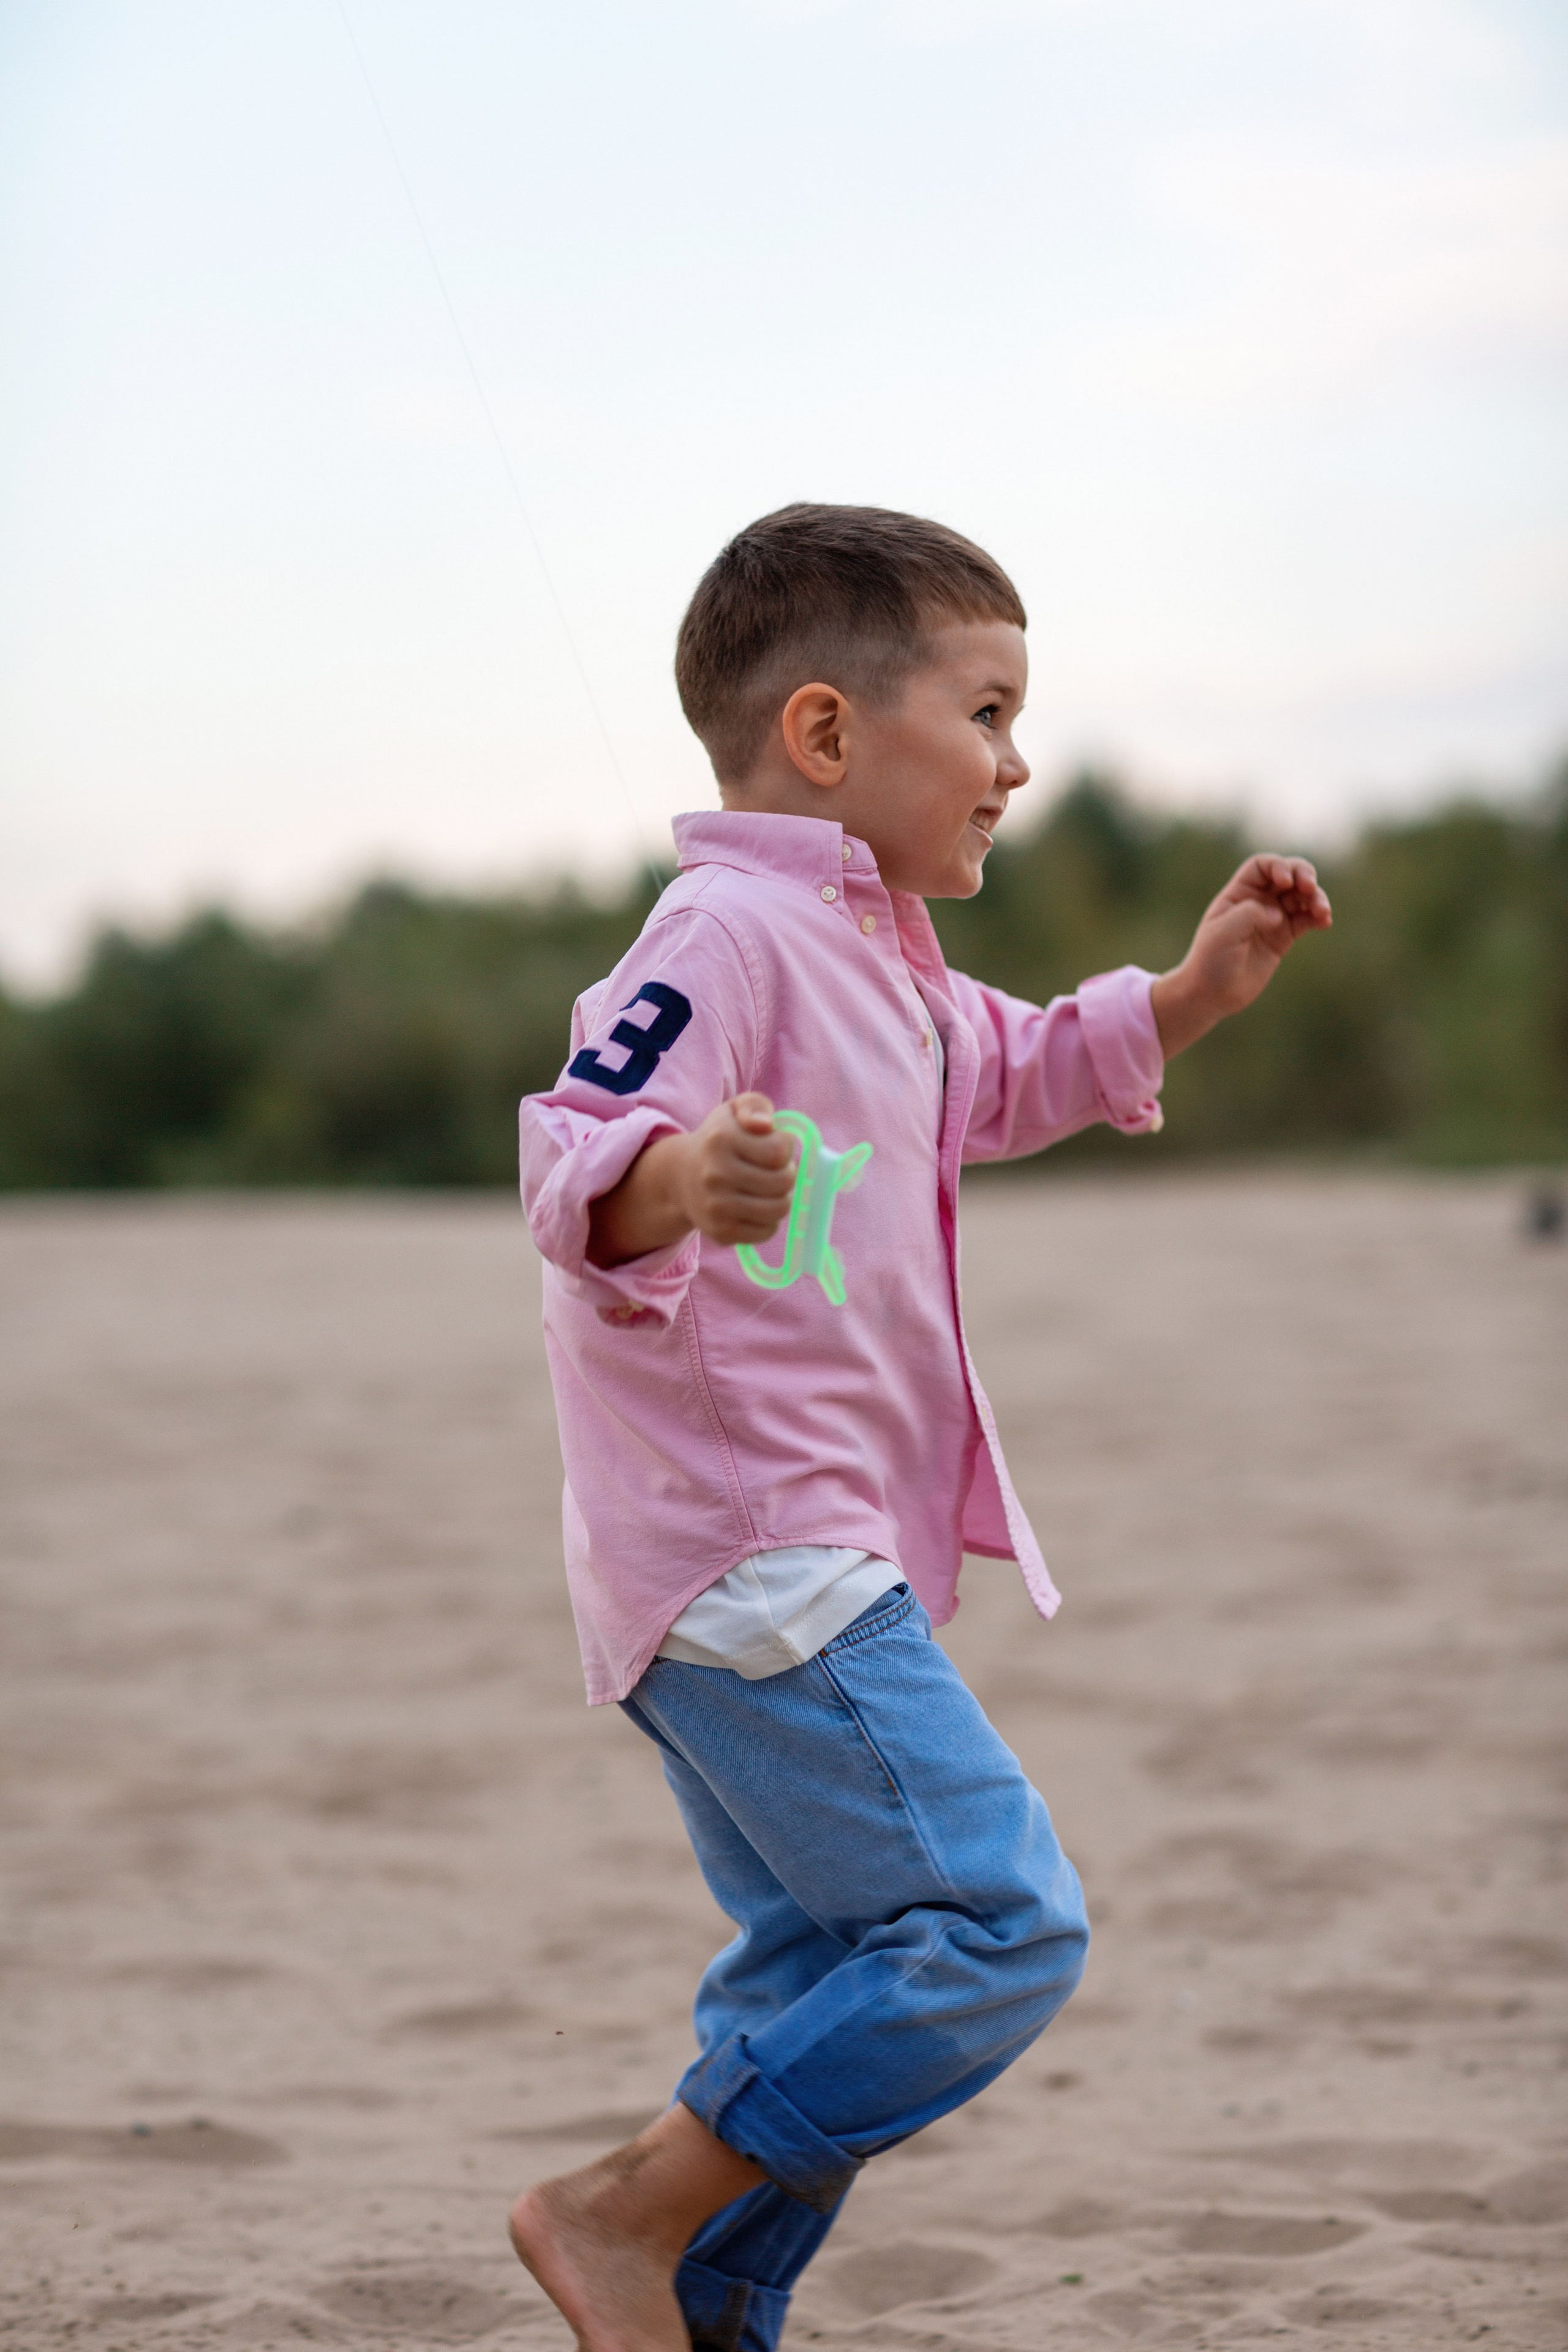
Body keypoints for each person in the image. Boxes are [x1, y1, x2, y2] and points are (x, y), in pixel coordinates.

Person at [510, 503, 1332, 2350]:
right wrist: (678, 1180)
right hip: (755, 1553)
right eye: (987, 713)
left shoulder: (882, 961)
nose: (1015, 764)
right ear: (823, 733)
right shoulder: (726, 931)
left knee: (821, 1961)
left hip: (771, 1561)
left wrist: (1188, 995)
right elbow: (575, 1146)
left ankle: (703, 2310)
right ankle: (624, 2217)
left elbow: (1007, 1066)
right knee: (996, 1924)